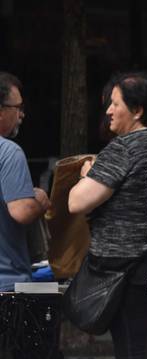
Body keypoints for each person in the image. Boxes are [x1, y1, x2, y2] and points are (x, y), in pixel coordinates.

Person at [67, 72, 147, 359]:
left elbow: (77, 202)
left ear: (136, 110)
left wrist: (85, 175)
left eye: (115, 103)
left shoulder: (123, 148)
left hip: (125, 268)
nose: (108, 110)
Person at [0, 72, 50, 291]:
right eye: (17, 107)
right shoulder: (9, 152)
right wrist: (38, 199)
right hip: (8, 285)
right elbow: (22, 211)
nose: (22, 115)